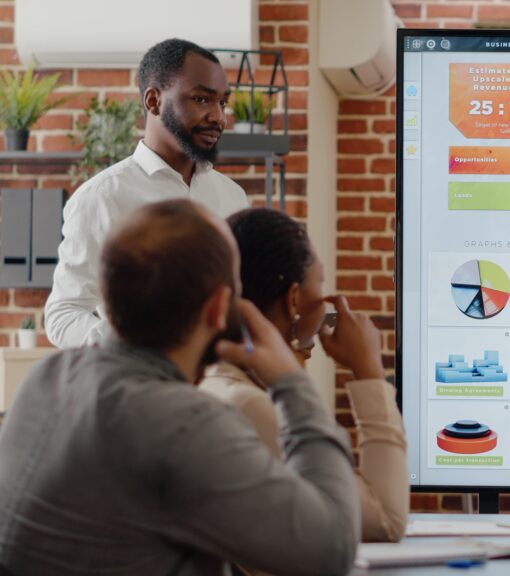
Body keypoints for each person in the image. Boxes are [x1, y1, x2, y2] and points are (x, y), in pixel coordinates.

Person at [0, 200, 360, 575]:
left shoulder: (44, 380)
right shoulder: (184, 425)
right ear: (221, 306)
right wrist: (291, 382)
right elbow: (331, 550)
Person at [200, 207, 409, 542]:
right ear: (294, 300)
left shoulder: (216, 383)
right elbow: (385, 519)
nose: (328, 303)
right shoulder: (252, 408)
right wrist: (368, 369)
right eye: (321, 284)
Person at [45, 38, 248, 349]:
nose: (219, 117)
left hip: (221, 389)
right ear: (153, 101)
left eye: (222, 103)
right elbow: (63, 314)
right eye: (201, 100)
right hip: (142, 389)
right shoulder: (102, 197)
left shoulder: (233, 196)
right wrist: (139, 347)